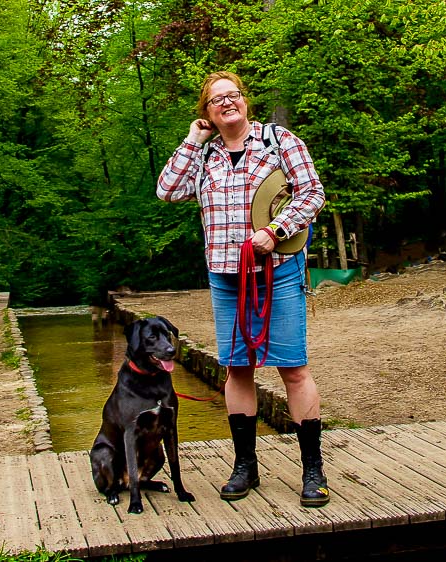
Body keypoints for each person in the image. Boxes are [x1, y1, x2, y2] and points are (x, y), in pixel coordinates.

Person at [155, 71, 329, 507]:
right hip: (226, 277)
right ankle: (245, 466)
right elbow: (167, 191)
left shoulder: (279, 140)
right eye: (217, 100)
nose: (227, 103)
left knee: (293, 368)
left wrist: (277, 229)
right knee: (238, 369)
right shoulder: (204, 153)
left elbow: (312, 192)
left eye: (233, 96)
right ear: (207, 114)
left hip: (279, 271)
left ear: (245, 102)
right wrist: (193, 140)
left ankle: (313, 471)